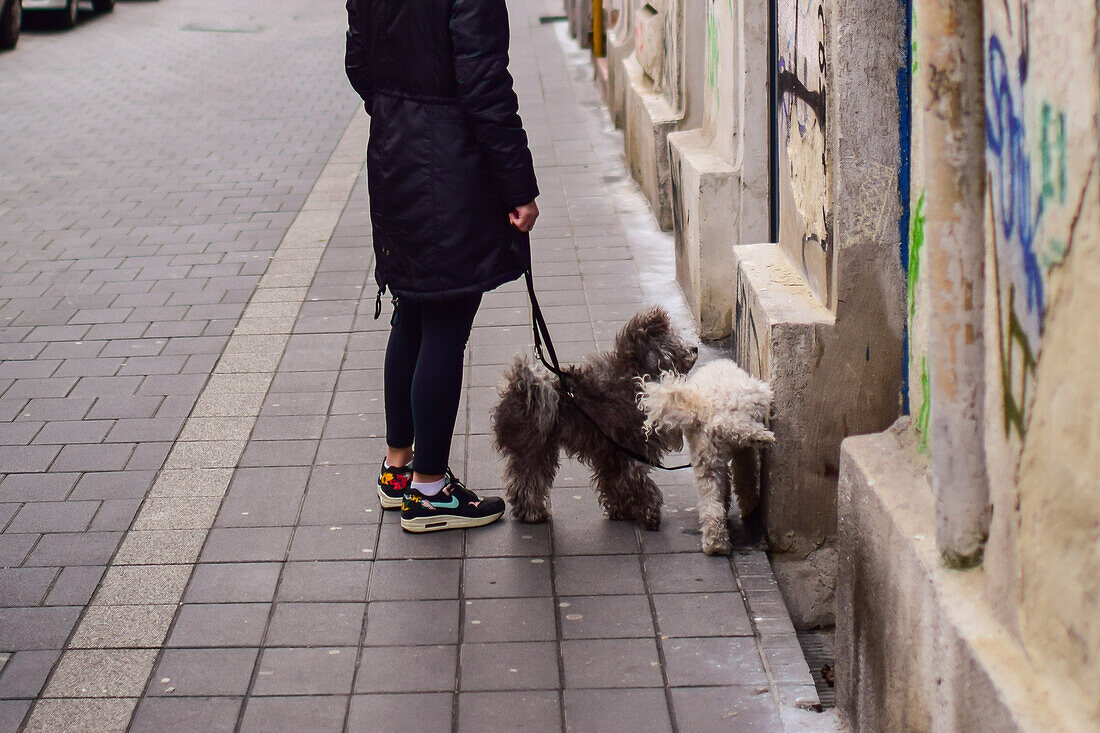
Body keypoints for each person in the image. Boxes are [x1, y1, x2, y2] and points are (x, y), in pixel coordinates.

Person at [345, 0, 539, 532]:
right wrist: (518, 185)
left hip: (394, 152)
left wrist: (400, 115)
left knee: (412, 309)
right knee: (445, 322)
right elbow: (485, 83)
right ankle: (430, 489)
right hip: (447, 162)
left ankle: (399, 469)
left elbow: (358, 64)